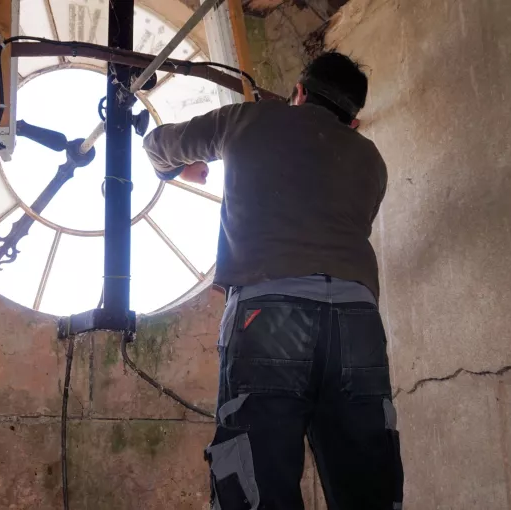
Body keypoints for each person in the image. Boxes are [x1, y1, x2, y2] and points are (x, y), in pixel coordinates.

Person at [142, 51, 402, 510]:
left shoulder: (249, 120)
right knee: (369, 484)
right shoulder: (371, 159)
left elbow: (157, 145)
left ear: (298, 92)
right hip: (356, 321)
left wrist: (180, 168)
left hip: (271, 315)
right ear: (354, 121)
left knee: (256, 481)